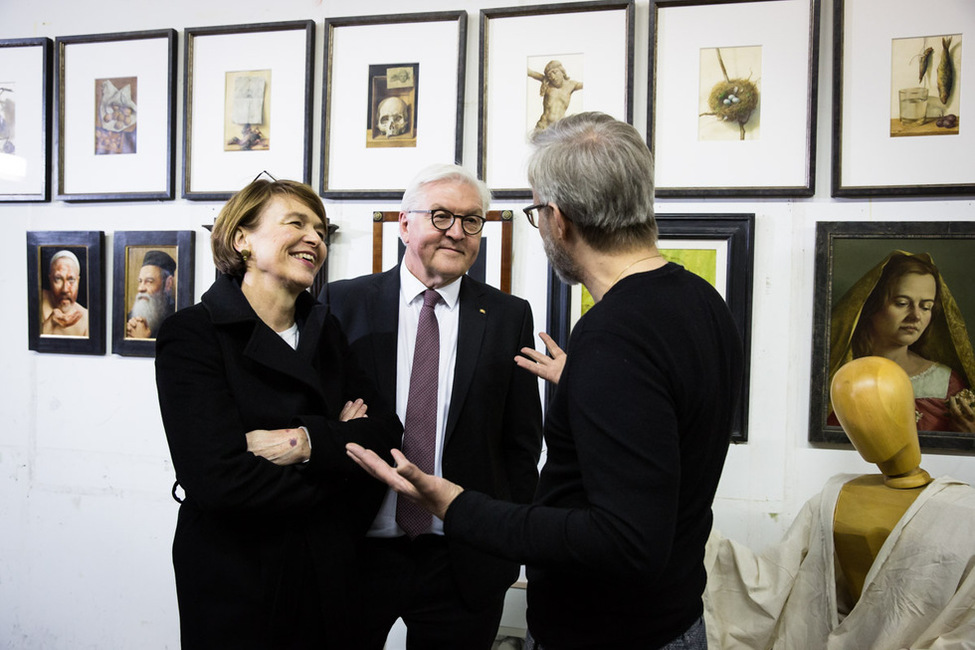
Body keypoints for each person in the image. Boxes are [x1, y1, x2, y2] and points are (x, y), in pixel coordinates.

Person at [347, 112, 744, 649]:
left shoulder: (614, 335)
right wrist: (588, 383)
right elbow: (662, 426)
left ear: (558, 220)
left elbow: (625, 538)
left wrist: (457, 506)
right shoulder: (701, 302)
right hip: (669, 616)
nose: (457, 233)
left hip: (607, 631)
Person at [155, 177, 401, 649]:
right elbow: (218, 480)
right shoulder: (194, 334)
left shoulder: (325, 331)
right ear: (241, 239)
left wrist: (302, 443)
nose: (315, 237)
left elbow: (386, 435)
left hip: (328, 570)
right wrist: (339, 451)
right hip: (238, 575)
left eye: (320, 230)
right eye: (296, 223)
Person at [324, 163, 543, 649]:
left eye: (471, 221)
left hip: (462, 557)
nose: (457, 232)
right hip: (356, 548)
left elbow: (521, 441)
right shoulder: (342, 303)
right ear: (404, 224)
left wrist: (507, 542)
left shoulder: (508, 316)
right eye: (441, 216)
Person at [704, 355, 975, 648]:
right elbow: (775, 578)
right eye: (852, 417)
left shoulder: (963, 511)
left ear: (912, 411)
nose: (865, 426)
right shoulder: (832, 497)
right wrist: (699, 537)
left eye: (878, 410)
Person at [829, 250, 975, 432]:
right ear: (871, 305)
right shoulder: (836, 372)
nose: (915, 316)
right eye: (902, 303)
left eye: (926, 307)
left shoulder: (945, 383)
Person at [126, 249, 176, 339]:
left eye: (149, 281)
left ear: (168, 283)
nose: (140, 288)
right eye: (140, 281)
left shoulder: (176, 321)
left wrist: (141, 339)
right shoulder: (127, 320)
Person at [41, 249, 89, 337]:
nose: (65, 289)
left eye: (71, 279)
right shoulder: (37, 300)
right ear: (50, 279)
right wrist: (51, 322)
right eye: (58, 279)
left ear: (78, 281)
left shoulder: (86, 320)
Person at [527, 60, 583, 130]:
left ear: (562, 72)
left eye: (554, 72)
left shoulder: (572, 85)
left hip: (559, 127)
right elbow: (530, 72)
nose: (553, 77)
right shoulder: (547, 83)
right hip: (543, 125)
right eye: (549, 75)